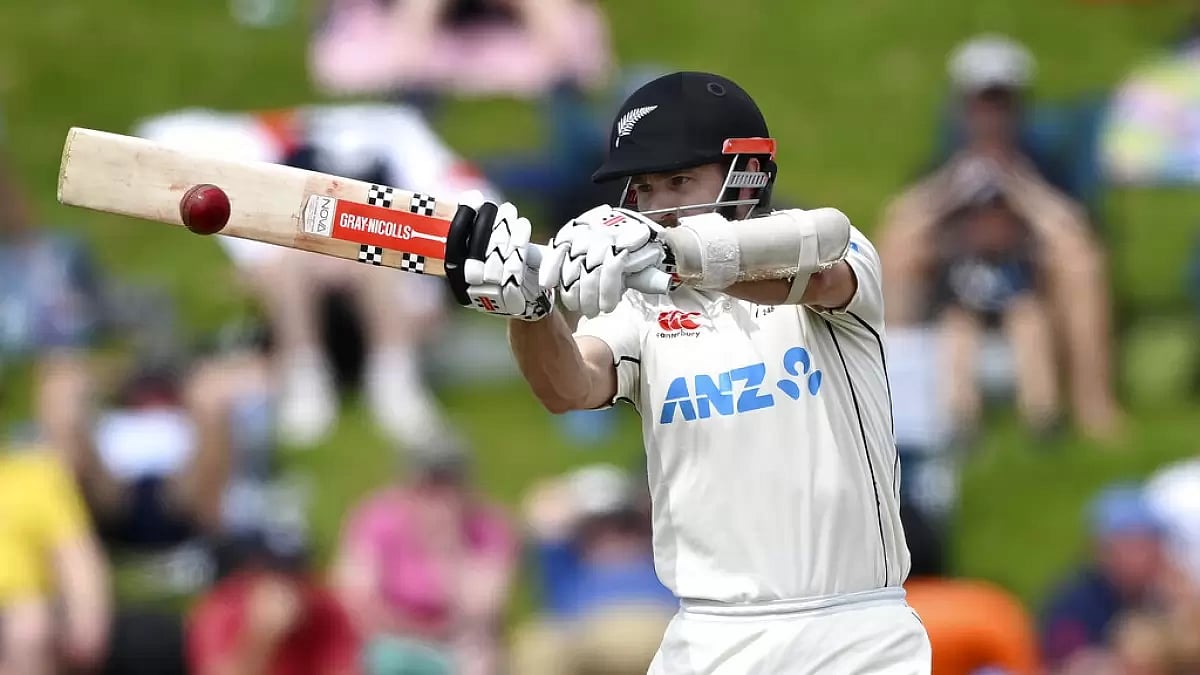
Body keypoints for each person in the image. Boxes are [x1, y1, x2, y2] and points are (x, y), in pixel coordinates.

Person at [445, 71, 931, 673]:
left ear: (746, 175)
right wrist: (529, 309)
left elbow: (822, 259)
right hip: (708, 635)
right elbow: (569, 385)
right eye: (644, 188)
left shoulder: (834, 253)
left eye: (679, 181)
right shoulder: (644, 307)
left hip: (854, 631)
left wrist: (671, 253)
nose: (658, 205)